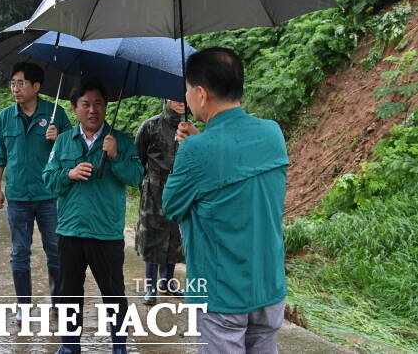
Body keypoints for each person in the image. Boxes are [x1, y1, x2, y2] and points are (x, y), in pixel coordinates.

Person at [162, 48, 289, 353]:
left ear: (201, 94)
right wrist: (199, 141)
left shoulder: (196, 151)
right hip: (268, 286)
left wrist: (191, 147)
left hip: (220, 293)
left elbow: (172, 205)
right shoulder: (272, 133)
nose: (187, 96)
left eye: (188, 89)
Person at [43, 79, 144, 354]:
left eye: (98, 103)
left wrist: (115, 156)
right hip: (70, 231)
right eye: (86, 104)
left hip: (106, 233)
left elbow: (136, 177)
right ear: (74, 108)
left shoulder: (120, 140)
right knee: (69, 293)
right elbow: (48, 180)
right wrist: (69, 174)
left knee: (113, 293)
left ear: (106, 107)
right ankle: (69, 346)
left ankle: (119, 347)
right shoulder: (63, 141)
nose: (92, 110)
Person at [0, 62, 72, 322]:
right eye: (13, 83)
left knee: (56, 249)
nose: (15, 88)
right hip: (17, 196)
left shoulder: (55, 113)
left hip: (49, 195)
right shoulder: (5, 117)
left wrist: (58, 138)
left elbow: (74, 149)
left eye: (21, 83)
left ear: (36, 86)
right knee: (20, 252)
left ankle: (58, 302)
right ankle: (23, 307)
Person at [134, 100, 186, 305]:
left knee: (174, 236)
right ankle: (150, 286)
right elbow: (137, 159)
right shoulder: (150, 126)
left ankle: (167, 282)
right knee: (152, 237)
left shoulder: (189, 127)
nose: (180, 102)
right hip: (154, 189)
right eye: (175, 97)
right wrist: (145, 185)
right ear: (165, 99)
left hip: (180, 188)